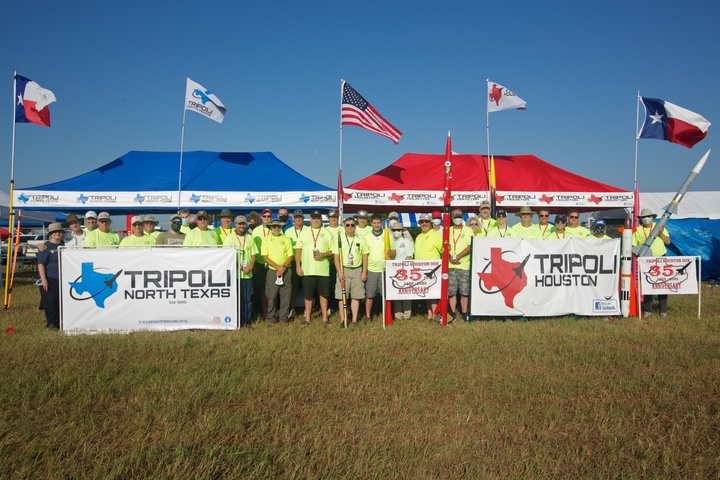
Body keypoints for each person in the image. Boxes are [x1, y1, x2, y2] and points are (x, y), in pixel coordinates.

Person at [295, 209, 335, 326]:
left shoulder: (327, 232)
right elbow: (298, 249)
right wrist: (298, 265)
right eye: (314, 218)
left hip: (323, 270)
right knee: (308, 295)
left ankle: (325, 318)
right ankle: (307, 318)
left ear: (321, 219)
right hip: (308, 270)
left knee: (324, 295)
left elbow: (332, 250)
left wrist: (323, 254)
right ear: (310, 219)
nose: (316, 220)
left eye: (318, 218)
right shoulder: (304, 232)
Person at [632, 208, 671, 317]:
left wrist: (661, 233)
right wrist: (639, 255)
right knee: (647, 285)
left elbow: (668, 241)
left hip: (660, 259)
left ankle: (663, 310)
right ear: (641, 219)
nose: (646, 219)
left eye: (648, 216)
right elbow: (633, 245)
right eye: (644, 217)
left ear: (653, 217)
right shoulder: (637, 230)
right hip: (645, 261)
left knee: (662, 284)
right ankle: (648, 310)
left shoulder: (659, 227)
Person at [223, 215, 258, 327]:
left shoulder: (250, 237)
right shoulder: (229, 238)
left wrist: (251, 266)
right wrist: (239, 266)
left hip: (248, 274)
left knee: (248, 299)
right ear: (235, 224)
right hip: (236, 275)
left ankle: (247, 321)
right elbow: (227, 256)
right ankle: (237, 321)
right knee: (237, 299)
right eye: (239, 223)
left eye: (243, 223)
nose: (242, 226)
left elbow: (253, 254)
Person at [333, 217, 368, 326]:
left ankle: (354, 320)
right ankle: (343, 320)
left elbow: (365, 256)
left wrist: (364, 272)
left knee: (356, 296)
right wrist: (339, 272)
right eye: (347, 225)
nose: (350, 227)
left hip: (357, 269)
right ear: (344, 226)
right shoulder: (339, 239)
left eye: (352, 225)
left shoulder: (360, 239)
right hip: (344, 269)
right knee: (341, 296)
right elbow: (336, 257)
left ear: (355, 226)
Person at [262, 218, 294, 324]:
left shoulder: (286, 239)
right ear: (270, 227)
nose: (276, 228)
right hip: (272, 271)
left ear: (281, 228)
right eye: (274, 226)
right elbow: (265, 256)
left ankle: (283, 318)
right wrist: (277, 267)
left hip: (286, 270)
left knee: (285, 295)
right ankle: (271, 318)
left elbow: (290, 256)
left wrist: (283, 268)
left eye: (278, 226)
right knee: (271, 295)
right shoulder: (266, 239)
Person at [364, 214, 396, 321]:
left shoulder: (388, 235)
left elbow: (394, 250)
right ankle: (368, 316)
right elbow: (364, 254)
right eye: (374, 223)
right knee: (369, 295)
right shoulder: (367, 236)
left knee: (385, 295)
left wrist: (391, 252)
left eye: (378, 223)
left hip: (385, 269)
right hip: (371, 269)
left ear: (381, 223)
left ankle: (386, 315)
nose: (376, 225)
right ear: (371, 224)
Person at [414, 213, 443, 320]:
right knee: (426, 292)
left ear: (430, 223)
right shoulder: (419, 236)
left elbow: (442, 251)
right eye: (422, 222)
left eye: (426, 222)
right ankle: (430, 314)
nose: (424, 224)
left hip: (432, 269)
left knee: (433, 293)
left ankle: (436, 314)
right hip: (421, 269)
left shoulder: (435, 235)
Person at [37, 222, 65, 329]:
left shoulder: (63, 244)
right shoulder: (45, 247)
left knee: (59, 301)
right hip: (50, 277)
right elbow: (41, 264)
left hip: (62, 277)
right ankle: (51, 323)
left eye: (59, 231)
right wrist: (43, 279)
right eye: (54, 232)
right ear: (51, 234)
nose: (57, 233)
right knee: (50, 301)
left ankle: (59, 322)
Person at [448, 209, 473, 322]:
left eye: (459, 216)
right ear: (452, 218)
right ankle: (452, 314)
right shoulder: (448, 230)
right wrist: (450, 257)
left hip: (464, 265)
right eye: (455, 216)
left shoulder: (468, 230)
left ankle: (464, 313)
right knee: (451, 292)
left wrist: (458, 256)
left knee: (464, 292)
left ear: (462, 217)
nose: (457, 218)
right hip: (450, 265)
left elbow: (470, 246)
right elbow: (445, 246)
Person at [285, 209, 308, 317]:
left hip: (306, 262)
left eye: (300, 217)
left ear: (303, 218)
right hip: (293, 263)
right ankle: (292, 308)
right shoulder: (288, 231)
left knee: (307, 287)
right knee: (293, 287)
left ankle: (306, 309)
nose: (298, 219)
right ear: (293, 218)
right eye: (296, 217)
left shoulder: (308, 230)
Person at [390, 220, 414, 320]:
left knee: (406, 291)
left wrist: (403, 266)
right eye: (394, 230)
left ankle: (407, 313)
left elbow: (409, 255)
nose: (396, 232)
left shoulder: (406, 241)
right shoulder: (391, 241)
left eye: (398, 230)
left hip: (405, 269)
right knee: (396, 292)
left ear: (402, 231)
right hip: (393, 269)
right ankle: (398, 314)